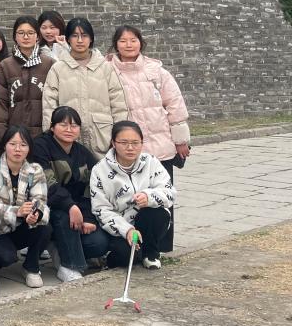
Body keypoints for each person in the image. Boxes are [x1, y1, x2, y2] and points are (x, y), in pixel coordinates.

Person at [106, 24, 190, 252]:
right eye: (123, 41)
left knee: (162, 194)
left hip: (159, 144)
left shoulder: (156, 71)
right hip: (128, 147)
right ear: (116, 45)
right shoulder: (108, 70)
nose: (128, 45)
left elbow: (174, 103)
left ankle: (161, 245)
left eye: (133, 40)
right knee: (130, 197)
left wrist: (180, 140)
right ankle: (133, 245)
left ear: (141, 43)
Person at [31, 106, 109, 282]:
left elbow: (93, 187)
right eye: (63, 125)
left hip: (78, 209)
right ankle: (69, 265)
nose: (69, 129)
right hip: (47, 206)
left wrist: (87, 217)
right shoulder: (40, 147)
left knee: (98, 243)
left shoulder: (83, 152)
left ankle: (60, 248)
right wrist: (70, 206)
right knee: (63, 217)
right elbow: (46, 184)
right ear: (52, 127)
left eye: (74, 126)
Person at [91, 121, 175, 270]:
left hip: (147, 222)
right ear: (113, 143)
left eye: (135, 143)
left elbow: (170, 193)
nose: (130, 148)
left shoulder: (151, 162)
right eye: (124, 143)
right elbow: (101, 209)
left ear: (142, 143)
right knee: (126, 255)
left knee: (157, 213)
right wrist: (127, 230)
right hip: (120, 227)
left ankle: (151, 253)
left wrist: (149, 197)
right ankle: (112, 258)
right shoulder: (100, 170)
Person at [42, 18, 129, 158]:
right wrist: (50, 138)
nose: (80, 40)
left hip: (102, 138)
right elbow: (49, 106)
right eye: (74, 35)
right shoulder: (58, 69)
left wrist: (120, 136)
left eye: (84, 35)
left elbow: (119, 105)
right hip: (67, 140)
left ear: (91, 39)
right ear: (68, 39)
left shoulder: (105, 68)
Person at [0, 126, 51, 288]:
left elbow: (40, 200)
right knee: (6, 257)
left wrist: (35, 214)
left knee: (45, 227)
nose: (18, 149)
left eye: (23, 145)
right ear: (4, 145)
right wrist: (17, 211)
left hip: (21, 227)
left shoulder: (35, 170)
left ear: (29, 148)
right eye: (13, 144)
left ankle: (31, 267)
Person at [0, 16, 55, 151]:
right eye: (21, 33)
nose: (26, 37)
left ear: (37, 36)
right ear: (15, 36)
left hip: (45, 140)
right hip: (14, 140)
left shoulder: (49, 64)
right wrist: (4, 139)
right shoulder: (5, 66)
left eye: (30, 33)